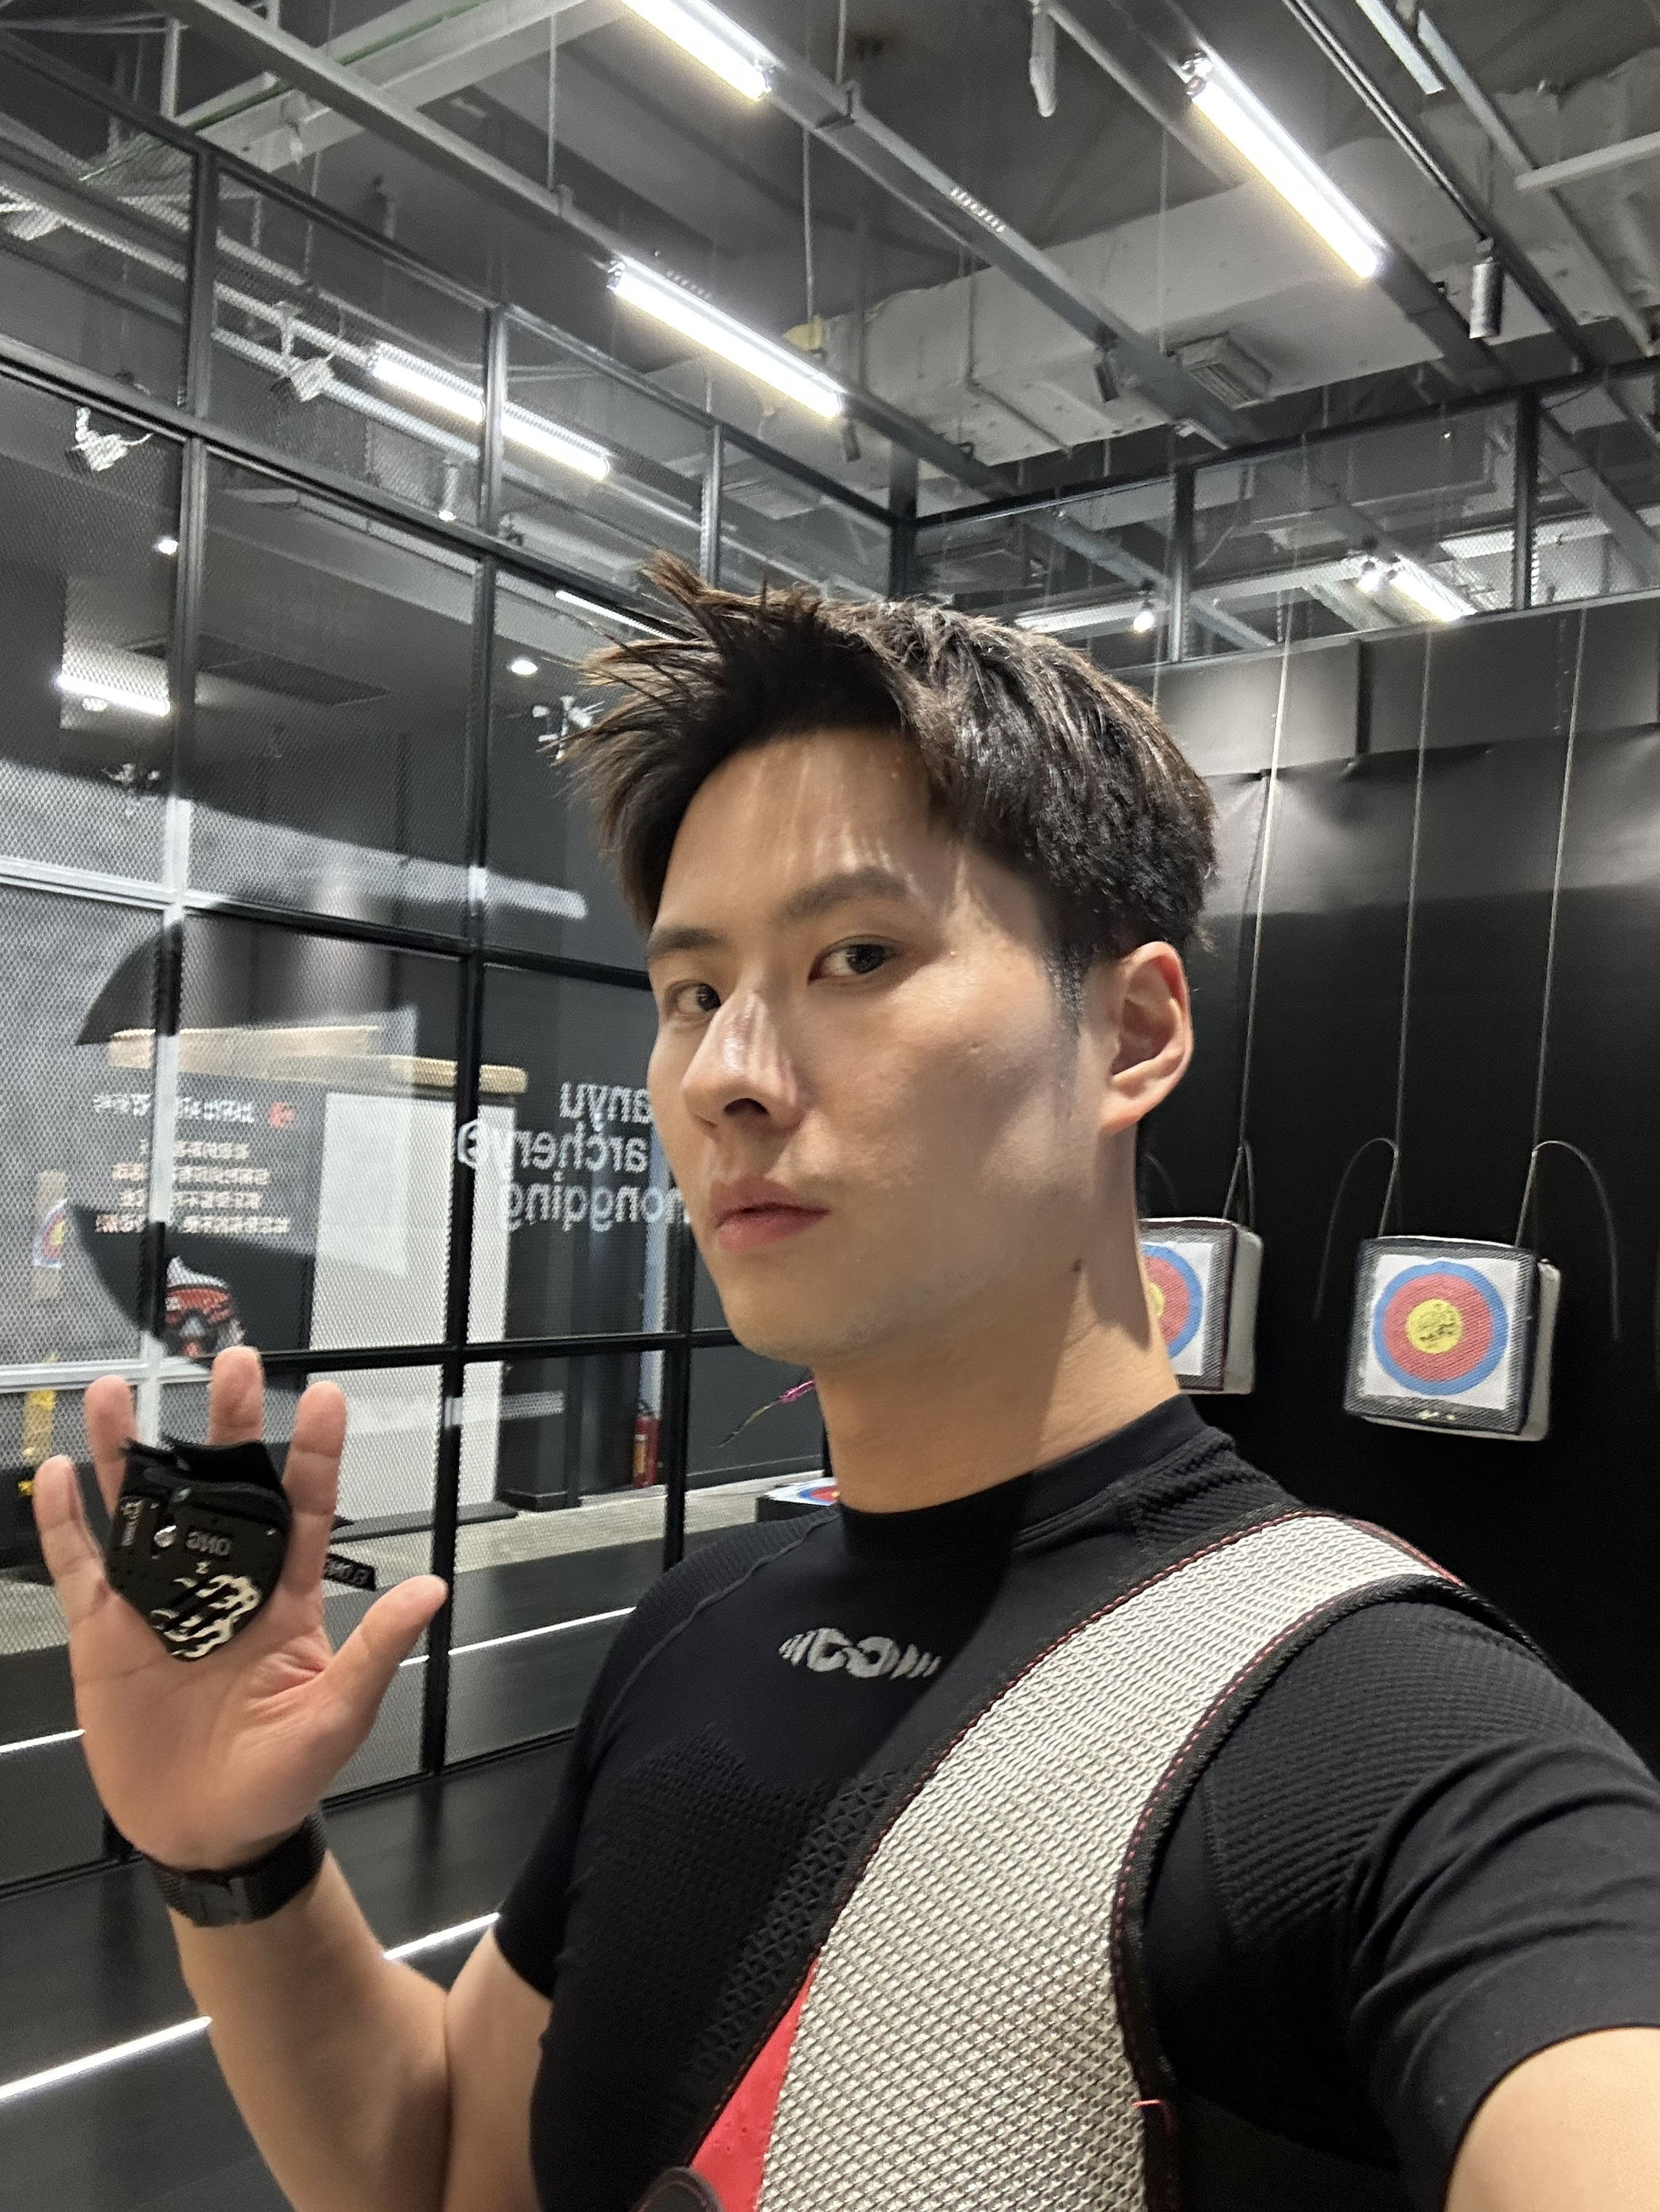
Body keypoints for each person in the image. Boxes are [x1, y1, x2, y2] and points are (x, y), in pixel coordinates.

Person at [32, 555, 1660, 2212]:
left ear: (1131, 1032)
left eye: (858, 957)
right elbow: (454, 2169)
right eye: (690, 994)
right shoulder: (698, 1622)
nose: (727, 1076)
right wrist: (232, 1860)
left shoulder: (1402, 1748)